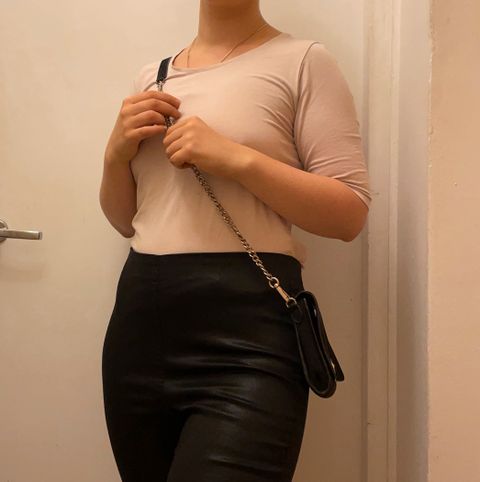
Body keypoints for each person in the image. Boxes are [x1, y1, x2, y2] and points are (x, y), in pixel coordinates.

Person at [99, 1, 371, 481]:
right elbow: (126, 220)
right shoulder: (152, 77)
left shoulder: (304, 61)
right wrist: (114, 155)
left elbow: (348, 213)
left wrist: (235, 158)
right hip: (140, 329)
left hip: (248, 336)